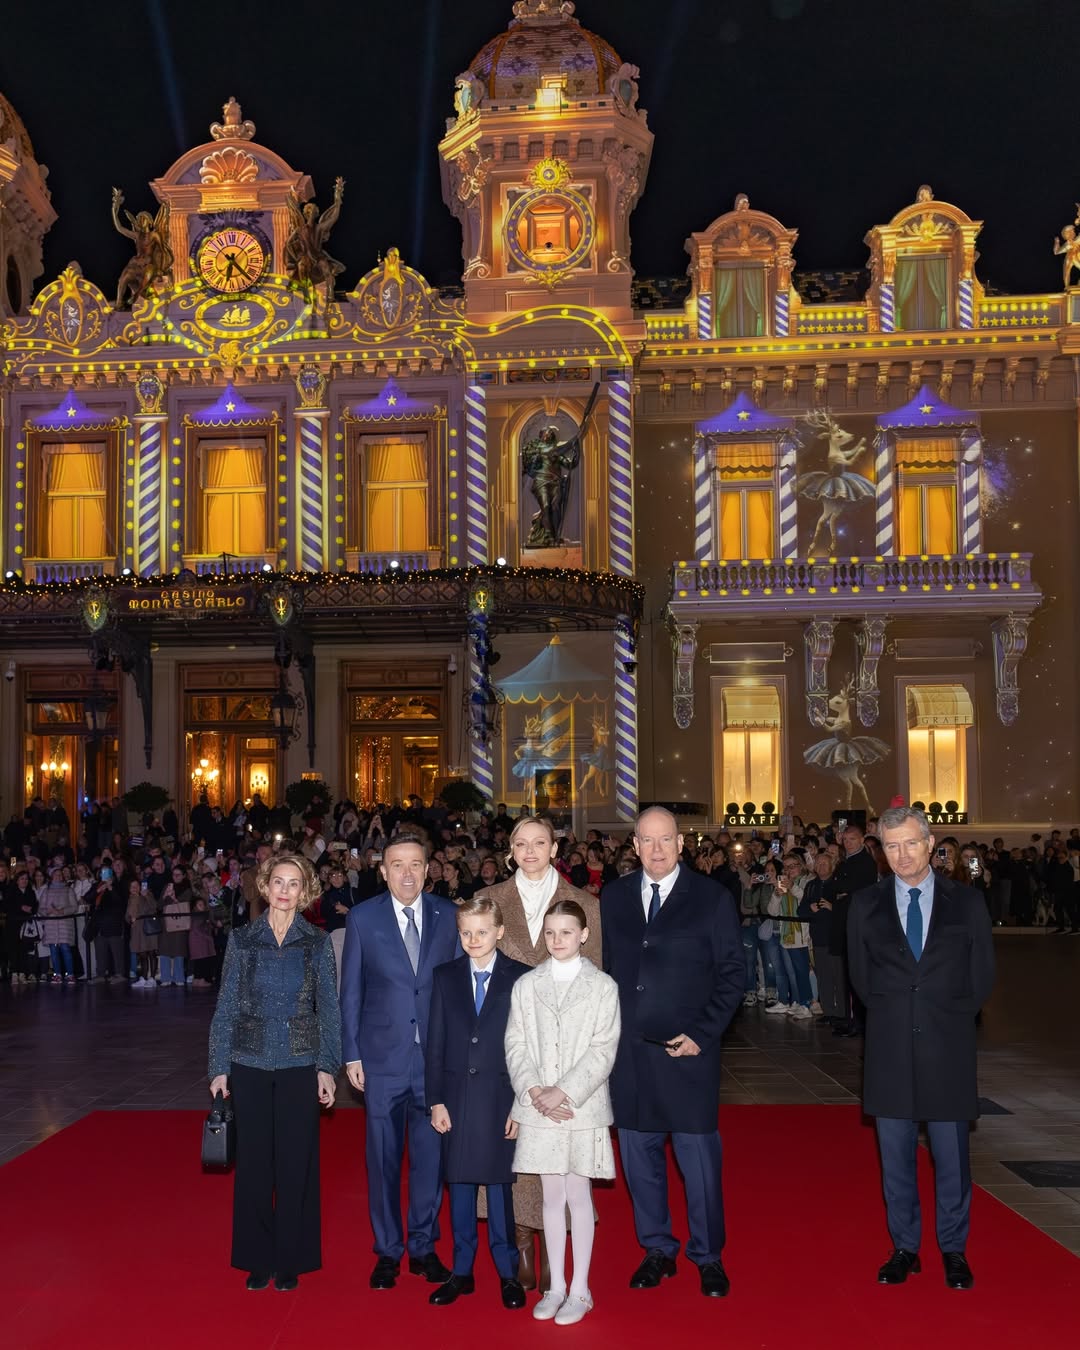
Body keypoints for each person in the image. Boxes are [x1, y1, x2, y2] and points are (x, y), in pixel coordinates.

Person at [847, 806, 995, 1291]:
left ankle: (954, 1249)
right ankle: (904, 1248)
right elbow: (863, 982)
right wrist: (898, 1015)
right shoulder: (865, 905)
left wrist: (945, 1017)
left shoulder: (967, 904)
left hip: (947, 1047)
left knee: (952, 1157)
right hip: (889, 1049)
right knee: (895, 1158)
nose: (902, 855)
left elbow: (981, 979)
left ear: (931, 844)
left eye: (911, 843)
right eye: (891, 846)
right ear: (881, 851)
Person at [601, 807, 743, 1298]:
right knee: (640, 1163)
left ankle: (708, 1256)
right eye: (647, 841)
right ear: (634, 846)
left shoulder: (711, 898)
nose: (657, 850)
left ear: (681, 844)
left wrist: (703, 1033)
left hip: (687, 1054)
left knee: (699, 1162)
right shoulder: (613, 898)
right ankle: (657, 1249)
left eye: (666, 840)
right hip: (631, 1057)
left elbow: (732, 975)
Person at [477, 815, 602, 1290]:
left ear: (554, 848)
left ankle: (555, 1245)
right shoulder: (490, 902)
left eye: (539, 843)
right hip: (504, 1044)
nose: (530, 851)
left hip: (565, 1051)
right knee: (512, 1147)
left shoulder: (585, 903)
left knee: (557, 1151)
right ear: (510, 850)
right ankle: (522, 1242)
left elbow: (597, 984)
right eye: (521, 843)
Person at [208, 853, 341, 1292]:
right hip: (248, 1060)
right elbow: (226, 1004)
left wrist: (327, 1066)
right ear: (265, 887)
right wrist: (218, 1067)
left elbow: (329, 1009)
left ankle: (291, 1259)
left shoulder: (317, 942)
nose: (285, 891)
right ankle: (256, 1258)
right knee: (254, 1165)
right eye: (278, 882)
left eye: (294, 884)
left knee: (295, 1163)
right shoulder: (242, 939)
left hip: (300, 1062)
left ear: (306, 892)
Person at [340, 831, 460, 1291]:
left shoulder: (449, 916)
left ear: (428, 869)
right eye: (397, 865)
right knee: (383, 1160)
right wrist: (351, 1053)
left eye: (415, 864)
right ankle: (388, 1250)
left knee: (430, 1161)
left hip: (433, 1061)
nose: (407, 873)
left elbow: (455, 992)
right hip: (381, 1060)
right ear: (383, 870)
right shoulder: (362, 919)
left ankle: (424, 1247)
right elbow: (351, 991)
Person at [505, 899, 621, 1325]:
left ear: (584, 935)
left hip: (580, 1108)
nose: (558, 940)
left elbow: (603, 1048)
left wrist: (563, 1092)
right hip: (538, 1107)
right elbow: (515, 1043)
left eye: (567, 932)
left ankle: (580, 1289)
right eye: (551, 933)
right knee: (550, 1199)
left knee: (578, 1196)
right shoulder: (527, 985)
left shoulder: (603, 987)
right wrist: (534, 1089)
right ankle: (555, 1288)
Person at [425, 897, 531, 1310]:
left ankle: (508, 1274)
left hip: (502, 1099)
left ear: (499, 932)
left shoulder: (521, 978)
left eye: (482, 931)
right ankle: (462, 1271)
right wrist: (435, 1100)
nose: (473, 939)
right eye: (466, 932)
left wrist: (522, 1104)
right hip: (455, 1099)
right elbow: (435, 1043)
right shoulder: (445, 976)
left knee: (501, 1188)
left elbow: (530, 1049)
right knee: (461, 1186)